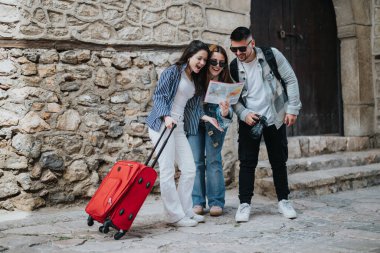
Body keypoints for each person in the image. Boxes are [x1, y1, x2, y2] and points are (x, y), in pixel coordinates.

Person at [146, 40, 222, 227]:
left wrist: (207, 118)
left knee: (189, 169)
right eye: (199, 58)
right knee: (167, 170)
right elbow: (160, 96)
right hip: (162, 125)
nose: (202, 63)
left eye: (205, 60)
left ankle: (185, 210)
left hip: (178, 127)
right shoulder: (173, 72)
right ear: (189, 55)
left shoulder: (195, 79)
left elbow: (194, 108)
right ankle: (174, 216)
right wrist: (166, 116)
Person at [229, 27, 302, 222]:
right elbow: (233, 98)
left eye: (242, 49)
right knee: (247, 163)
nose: (238, 54)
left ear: (252, 43)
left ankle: (284, 201)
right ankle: (244, 204)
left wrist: (292, 108)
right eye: (233, 50)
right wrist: (244, 114)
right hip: (249, 120)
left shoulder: (271, 55)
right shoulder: (234, 66)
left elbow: (290, 79)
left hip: (275, 115)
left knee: (278, 161)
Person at [188, 44, 233, 217]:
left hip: (216, 123)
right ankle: (197, 201)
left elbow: (228, 115)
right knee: (196, 162)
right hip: (194, 122)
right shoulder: (196, 77)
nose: (217, 66)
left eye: (222, 63)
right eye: (213, 61)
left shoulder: (226, 82)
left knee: (213, 160)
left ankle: (216, 202)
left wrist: (225, 111)